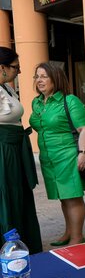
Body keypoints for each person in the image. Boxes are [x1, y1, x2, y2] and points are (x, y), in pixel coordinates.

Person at [29, 62, 85, 247]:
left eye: (44, 76)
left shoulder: (70, 100)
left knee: (72, 197)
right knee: (63, 197)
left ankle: (77, 237)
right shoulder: (37, 102)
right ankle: (69, 232)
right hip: (48, 158)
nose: (39, 80)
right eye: (37, 76)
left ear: (55, 78)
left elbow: (84, 129)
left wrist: (83, 153)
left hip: (67, 156)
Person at [0, 47, 42, 253]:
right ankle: (9, 247)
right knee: (6, 193)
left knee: (18, 193)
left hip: (14, 148)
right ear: (2, 68)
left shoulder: (6, 89)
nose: (19, 71)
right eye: (15, 67)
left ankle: (23, 243)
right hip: (3, 149)